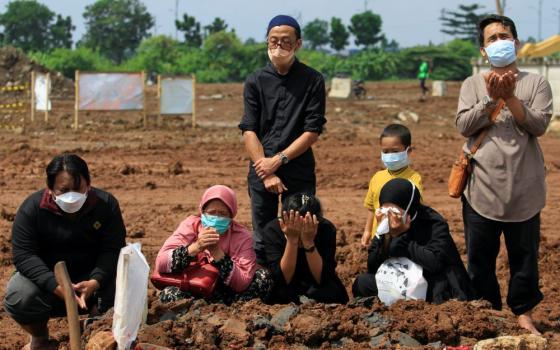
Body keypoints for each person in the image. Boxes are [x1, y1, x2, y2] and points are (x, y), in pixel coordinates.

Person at [456, 15, 553, 335]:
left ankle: (523, 314)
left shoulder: (536, 83)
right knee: (480, 258)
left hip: (525, 187)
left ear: (517, 43)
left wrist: (510, 96)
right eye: (492, 38)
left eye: (504, 36)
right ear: (483, 51)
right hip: (482, 187)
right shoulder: (472, 84)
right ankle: (489, 315)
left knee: (524, 258)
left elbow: (538, 126)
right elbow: (464, 126)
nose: (499, 42)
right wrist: (492, 98)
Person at [4, 154, 126, 350]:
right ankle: (40, 338)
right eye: (64, 190)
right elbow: (24, 256)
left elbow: (113, 249)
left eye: (78, 189)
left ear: (89, 183)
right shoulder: (32, 209)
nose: (72, 196)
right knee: (20, 295)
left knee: (125, 286)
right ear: (50, 187)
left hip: (93, 281)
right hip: (47, 283)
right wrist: (56, 286)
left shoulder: (106, 205)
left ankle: (96, 329)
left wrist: (95, 281)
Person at [239, 15, 327, 265]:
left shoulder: (313, 80)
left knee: (300, 226)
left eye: (286, 41)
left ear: (298, 44)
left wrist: (278, 161)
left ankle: (297, 282)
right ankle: (265, 281)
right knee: (262, 232)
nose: (278, 46)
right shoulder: (255, 81)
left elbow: (312, 131)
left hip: (297, 168)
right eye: (273, 40)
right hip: (261, 168)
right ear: (266, 41)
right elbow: (249, 130)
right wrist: (265, 171)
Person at [353, 178, 474, 304]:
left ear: (408, 208)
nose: (389, 216)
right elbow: (372, 266)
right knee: (362, 283)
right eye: (384, 210)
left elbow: (434, 263)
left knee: (439, 293)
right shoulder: (385, 223)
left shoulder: (433, 223)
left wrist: (401, 236)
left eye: (394, 211)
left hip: (428, 280)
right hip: (398, 278)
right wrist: (385, 236)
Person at [154, 185, 271, 304]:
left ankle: (231, 314)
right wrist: (196, 247)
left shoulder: (241, 235)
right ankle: (194, 313)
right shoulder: (191, 225)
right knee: (169, 293)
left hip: (229, 296)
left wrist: (217, 253)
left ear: (231, 216)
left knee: (262, 277)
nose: (216, 218)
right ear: (202, 212)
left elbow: (242, 282)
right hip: (192, 288)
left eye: (222, 214)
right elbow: (161, 262)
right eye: (211, 213)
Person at [262, 193, 349, 304]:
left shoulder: (326, 228)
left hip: (316, 283)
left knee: (331, 292)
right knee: (278, 294)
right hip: (286, 285)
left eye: (307, 223)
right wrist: (292, 240)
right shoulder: (272, 230)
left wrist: (308, 242)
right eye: (295, 222)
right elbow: (283, 279)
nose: (301, 227)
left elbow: (321, 277)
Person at [360, 124, 423, 248]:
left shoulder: (414, 179)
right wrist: (367, 231)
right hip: (378, 238)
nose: (390, 155)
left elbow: (416, 209)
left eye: (395, 151)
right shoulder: (377, 177)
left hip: (402, 239)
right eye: (385, 151)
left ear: (408, 151)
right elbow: (371, 208)